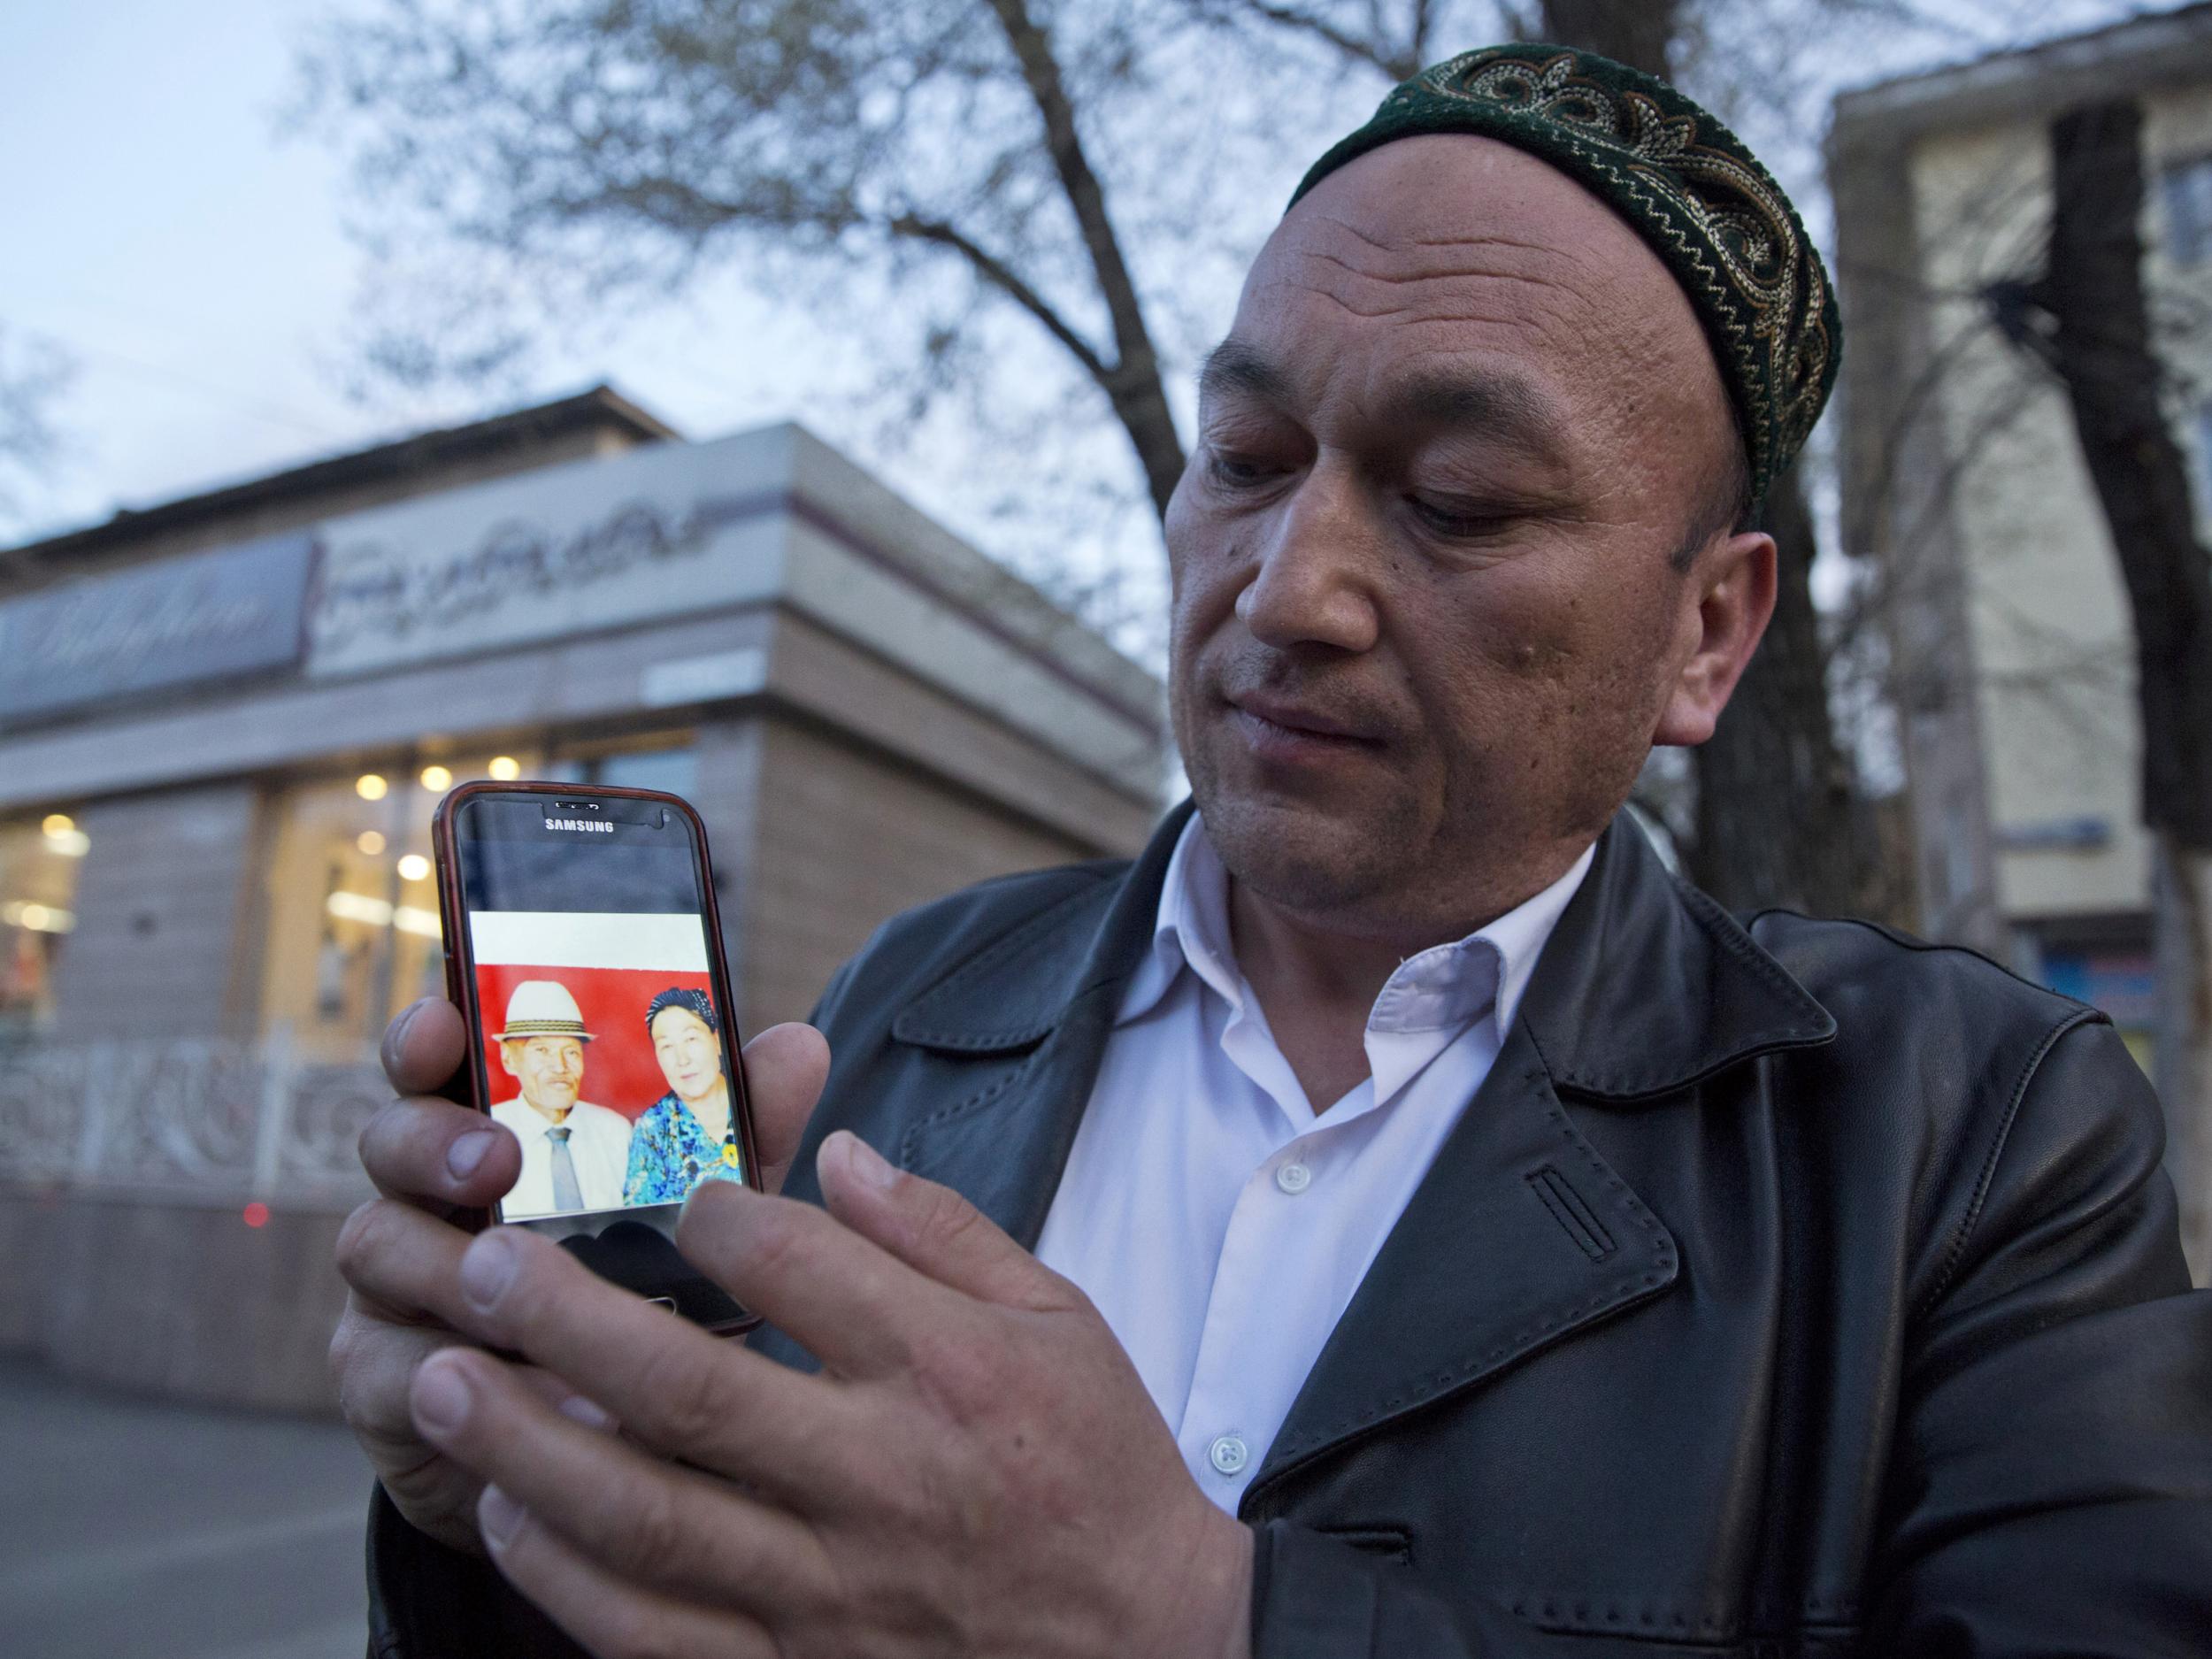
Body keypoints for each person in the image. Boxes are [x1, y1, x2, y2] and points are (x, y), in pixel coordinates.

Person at [333, 42, 2212, 1659]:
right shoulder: (910, 1002)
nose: (1288, 586)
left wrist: (1209, 1618)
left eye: (1457, 501)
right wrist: (490, 1501)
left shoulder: (1966, 1140)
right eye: (1243, 454)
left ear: (1703, 634)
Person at [483, 980, 631, 1218]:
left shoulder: (616, 1131)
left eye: (571, 1052)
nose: (560, 1067)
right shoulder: (488, 1132)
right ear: (508, 1058)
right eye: (541, 1050)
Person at [620, 987, 742, 1204]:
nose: (682, 1059)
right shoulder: (654, 1127)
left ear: (716, 1041)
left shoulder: (746, 1097)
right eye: (667, 1046)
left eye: (691, 1039)